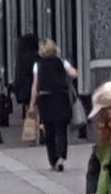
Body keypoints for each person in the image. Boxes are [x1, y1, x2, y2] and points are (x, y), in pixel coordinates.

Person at [30, 39, 79, 172]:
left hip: (45, 99)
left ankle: (53, 160)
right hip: (61, 98)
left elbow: (36, 85)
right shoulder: (62, 62)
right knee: (61, 129)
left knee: (49, 130)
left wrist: (32, 102)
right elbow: (74, 74)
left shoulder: (38, 65)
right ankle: (62, 156)